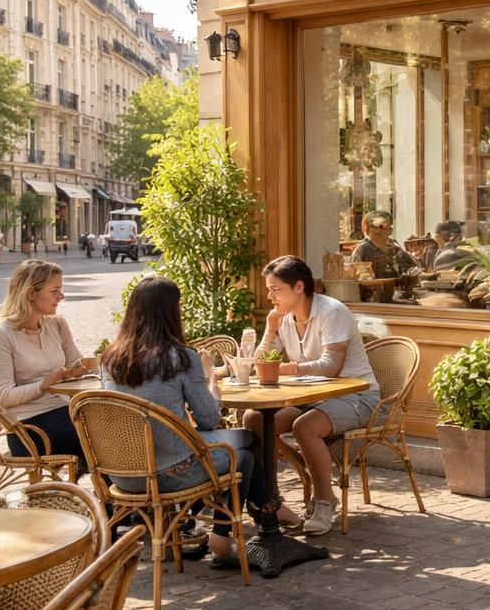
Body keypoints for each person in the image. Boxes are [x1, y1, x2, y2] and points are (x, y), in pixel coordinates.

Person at [100, 276, 297, 562]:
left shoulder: (109, 358)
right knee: (244, 454)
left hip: (122, 475)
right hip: (172, 472)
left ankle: (266, 511)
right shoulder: (180, 357)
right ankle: (231, 528)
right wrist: (209, 380)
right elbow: (209, 419)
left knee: (243, 441)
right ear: (173, 310)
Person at [240, 255, 380, 536]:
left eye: (275, 289)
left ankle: (324, 500)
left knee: (305, 427)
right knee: (254, 419)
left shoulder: (331, 311)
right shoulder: (284, 318)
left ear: (299, 287)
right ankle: (272, 500)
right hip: (312, 398)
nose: (270, 296)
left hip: (357, 396)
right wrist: (270, 329)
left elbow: (331, 367)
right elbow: (260, 361)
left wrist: (285, 368)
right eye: (269, 289)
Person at [0, 260, 88, 470]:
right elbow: (3, 396)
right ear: (31, 294)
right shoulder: (0, 336)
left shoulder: (56, 324)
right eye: (55, 291)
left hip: (64, 411)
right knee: (98, 432)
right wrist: (44, 384)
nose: (61, 297)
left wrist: (86, 367)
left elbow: (77, 363)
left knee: (113, 423)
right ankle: (119, 498)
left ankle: (124, 497)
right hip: (28, 429)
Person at [348, 210, 418, 279]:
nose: (378, 231)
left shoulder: (395, 249)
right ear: (367, 230)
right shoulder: (362, 250)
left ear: (390, 231)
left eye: (382, 227)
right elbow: (353, 275)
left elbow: (413, 268)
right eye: (374, 227)